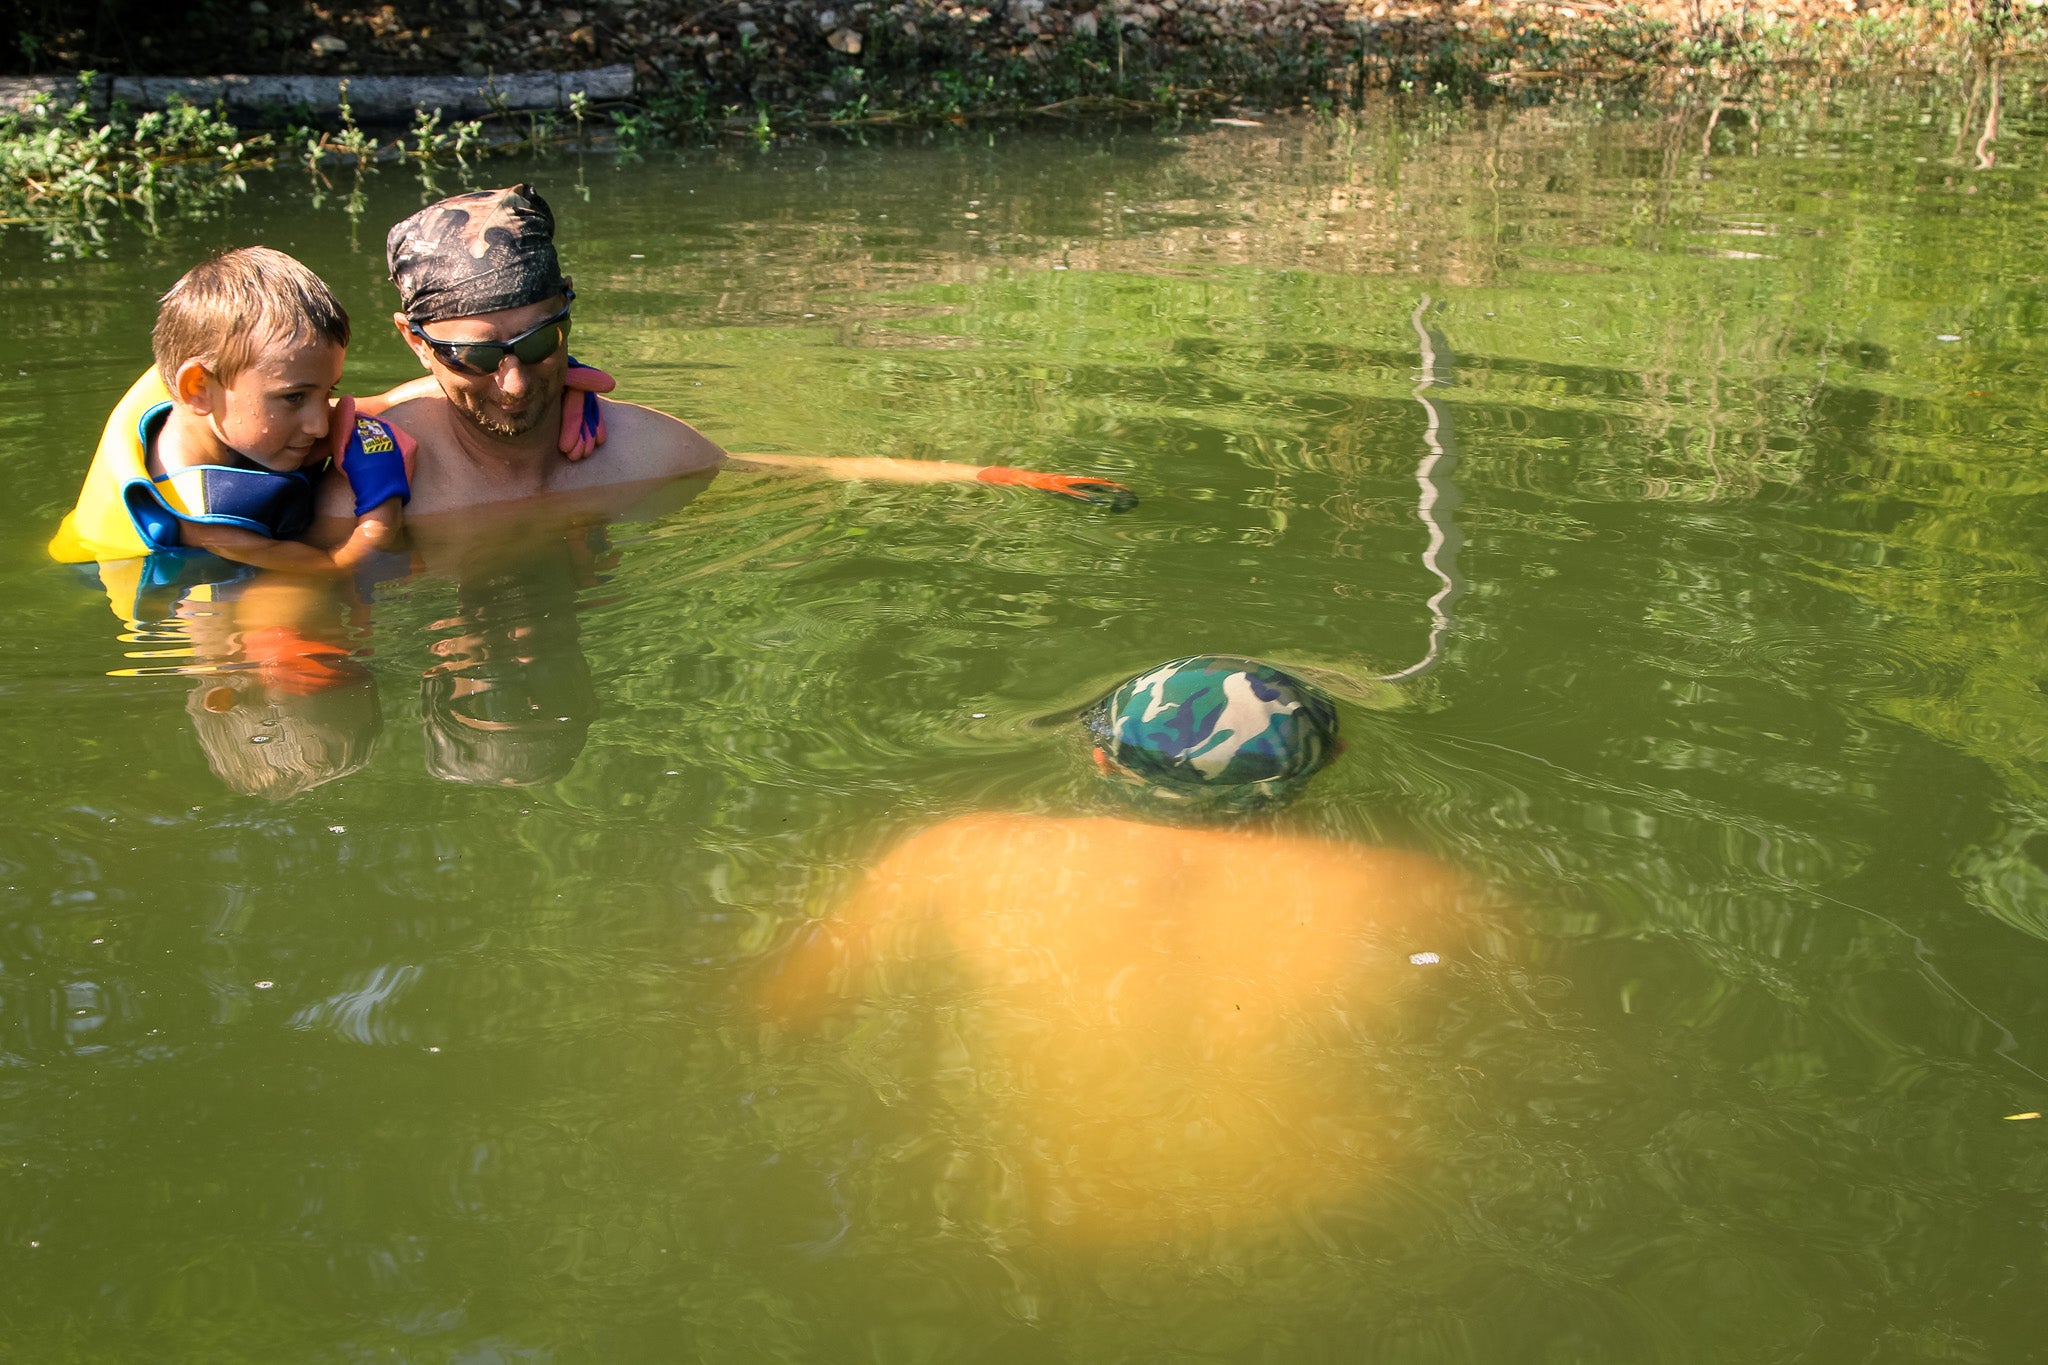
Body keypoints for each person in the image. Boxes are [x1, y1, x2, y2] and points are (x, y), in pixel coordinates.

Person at [761, 656, 1471, 1244]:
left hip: (1050, 1205)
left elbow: (787, 1010)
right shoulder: (1426, 889)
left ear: (1102, 759)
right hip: (1333, 1212)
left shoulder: (962, 852)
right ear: (1333, 759)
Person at [315, 184, 1135, 532]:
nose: (518, 381)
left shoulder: (637, 448)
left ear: (569, 315)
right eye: (474, 358)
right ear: (417, 341)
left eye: (539, 341)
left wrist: (995, 478)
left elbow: (786, 470)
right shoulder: (367, 473)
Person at [48, 247, 417, 576]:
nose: (320, 424)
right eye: (294, 398)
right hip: (114, 569)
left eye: (328, 392)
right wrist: (377, 524)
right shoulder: (200, 513)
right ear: (197, 390)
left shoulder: (224, 400)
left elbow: (376, 403)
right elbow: (330, 567)